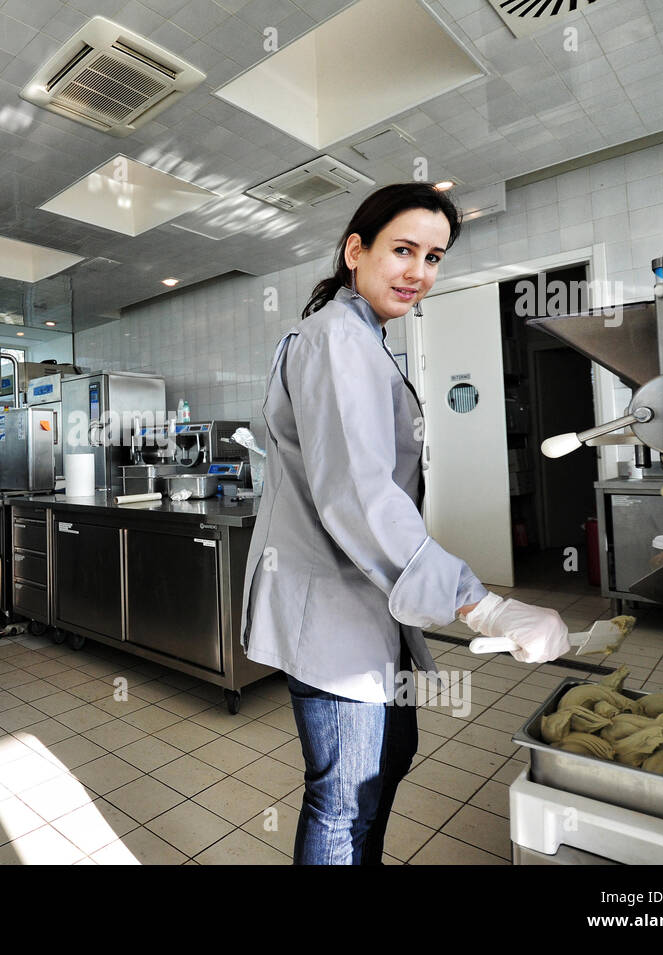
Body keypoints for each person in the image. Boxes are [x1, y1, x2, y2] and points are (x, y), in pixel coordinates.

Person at [239, 182, 570, 865]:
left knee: (390, 759)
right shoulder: (335, 338)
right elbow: (361, 496)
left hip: (368, 607)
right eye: (403, 249)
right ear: (355, 250)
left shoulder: (362, 337)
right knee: (344, 801)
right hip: (332, 611)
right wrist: (483, 605)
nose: (419, 270)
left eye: (435, 256)